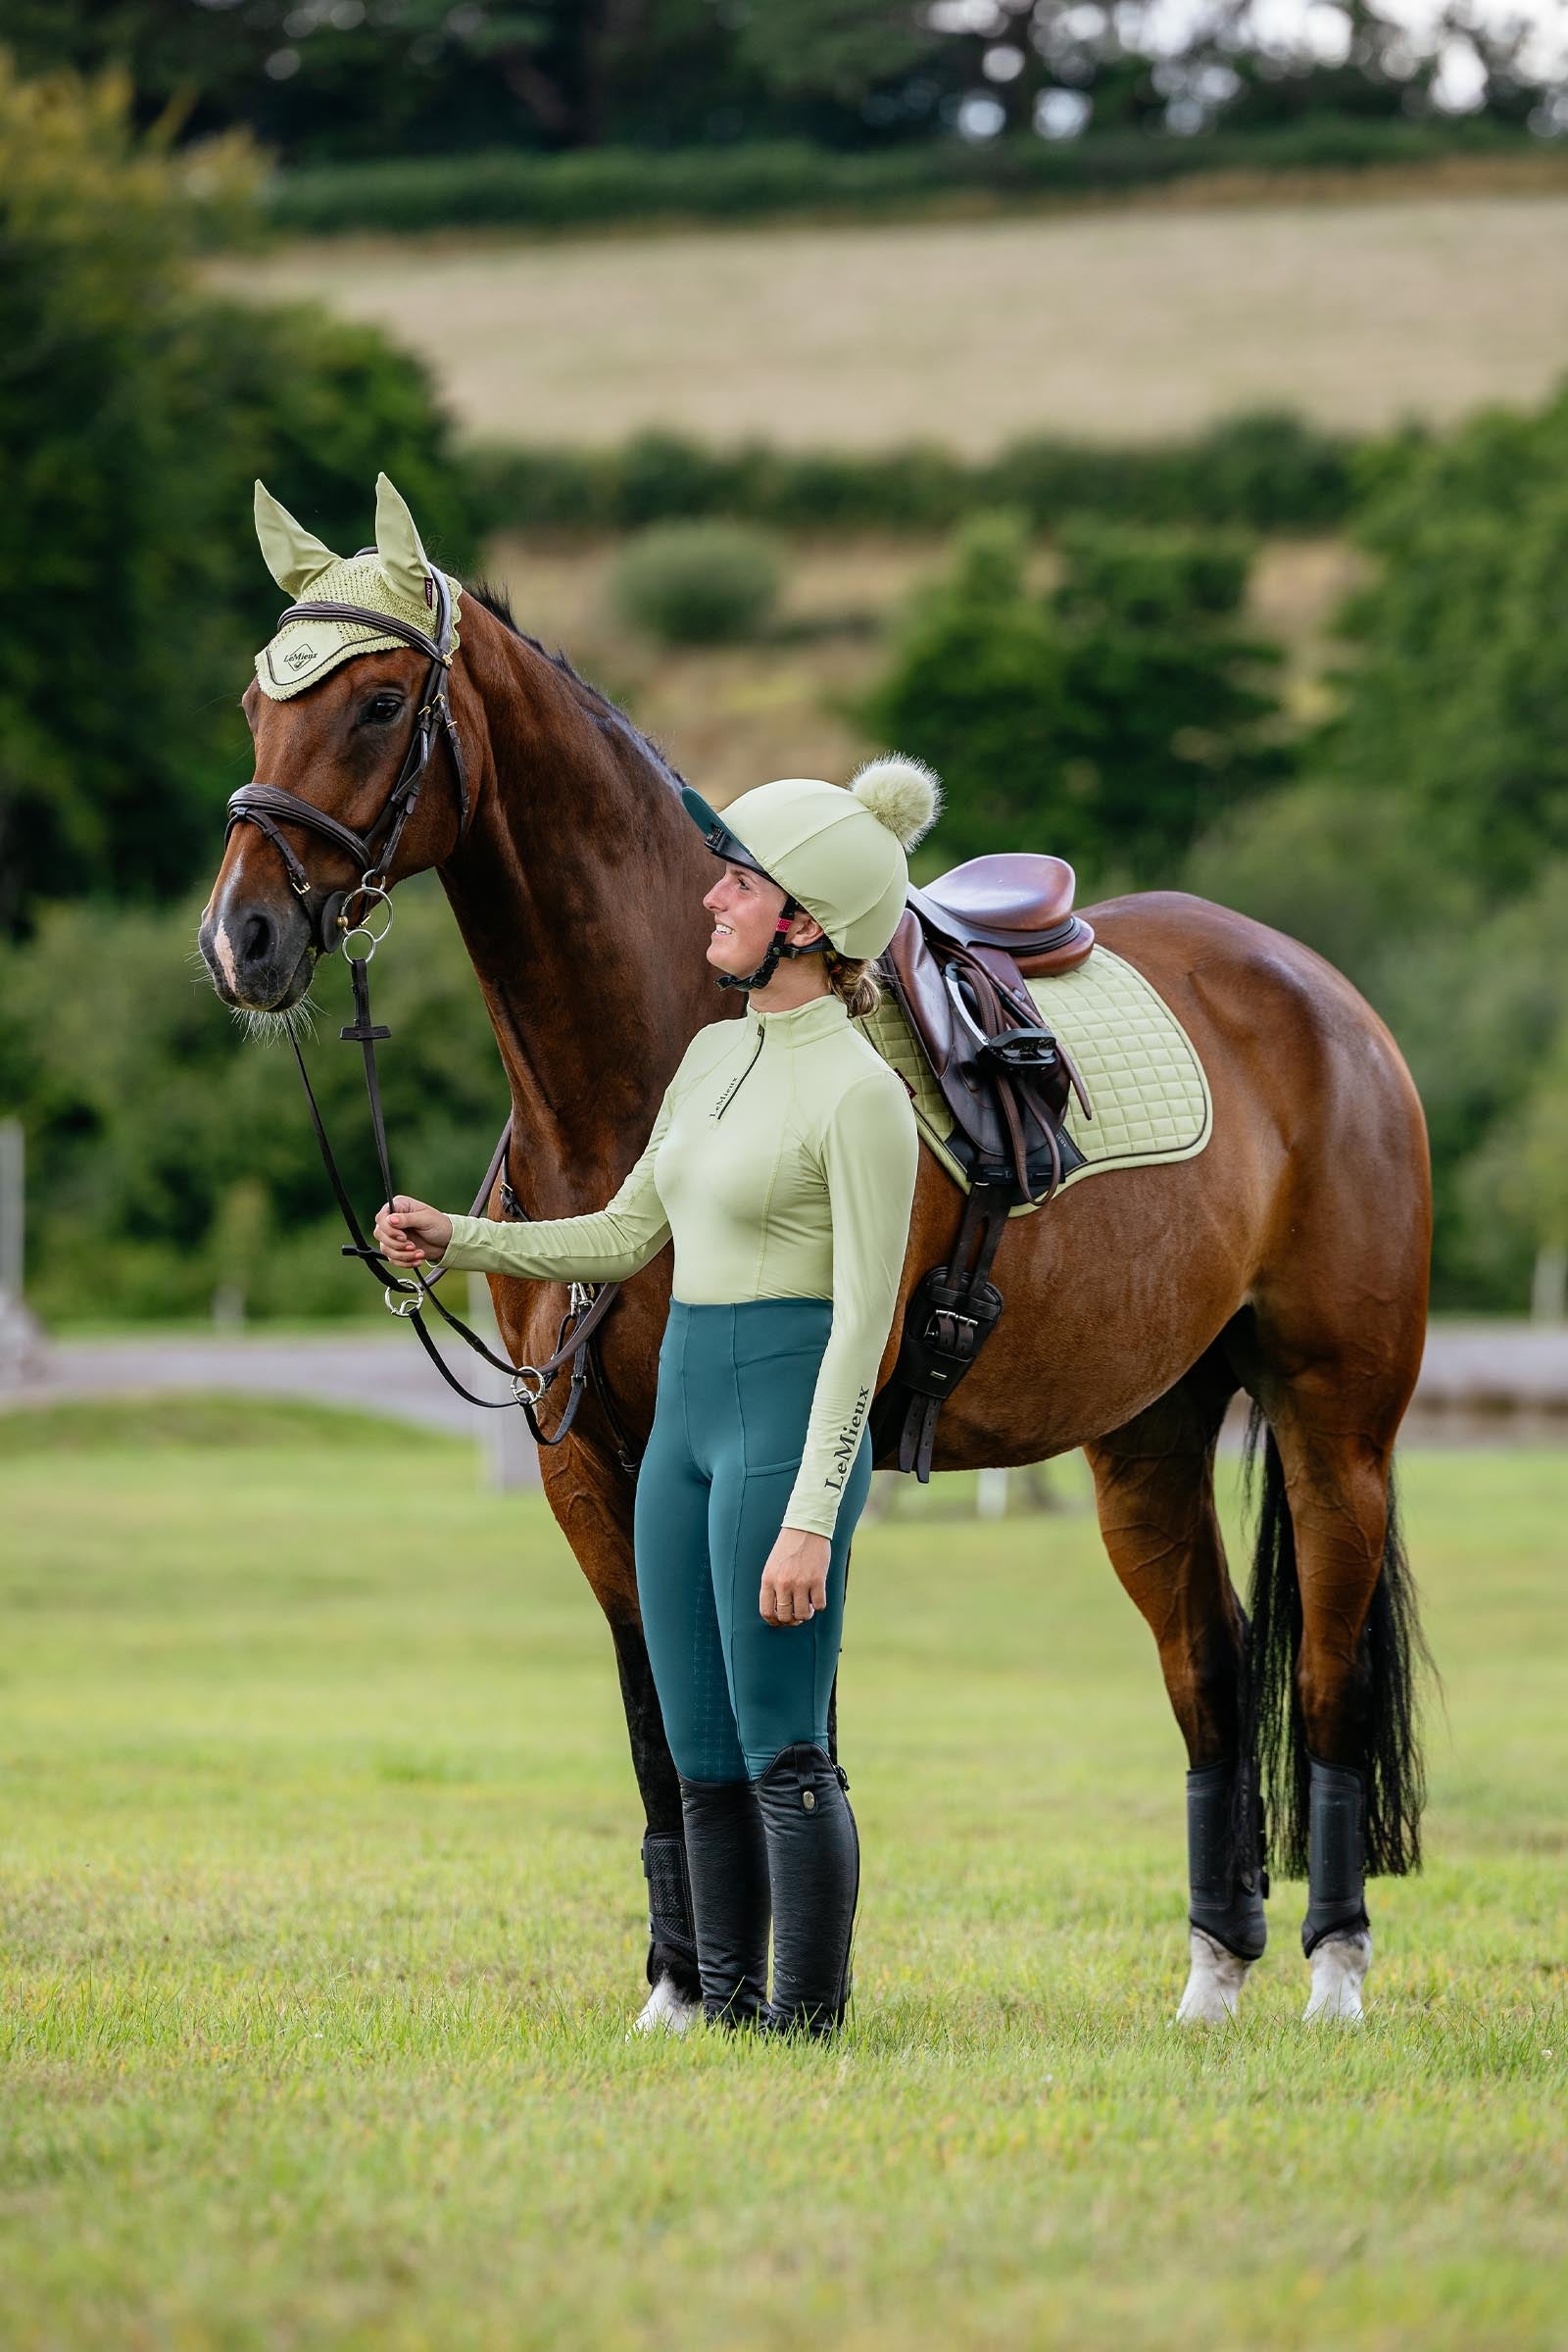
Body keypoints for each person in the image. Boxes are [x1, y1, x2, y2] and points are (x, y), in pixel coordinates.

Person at [372, 756, 941, 2036]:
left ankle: (805, 2020)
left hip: (783, 1419)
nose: (709, 902)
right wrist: (458, 1239)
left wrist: (811, 1511)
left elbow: (866, 1324)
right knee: (696, 1739)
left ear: (802, 921)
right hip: (686, 1414)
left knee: (783, 1743)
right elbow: (620, 1237)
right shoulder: (707, 1062)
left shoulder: (862, 1097)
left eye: (736, 883)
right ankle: (729, 2010)